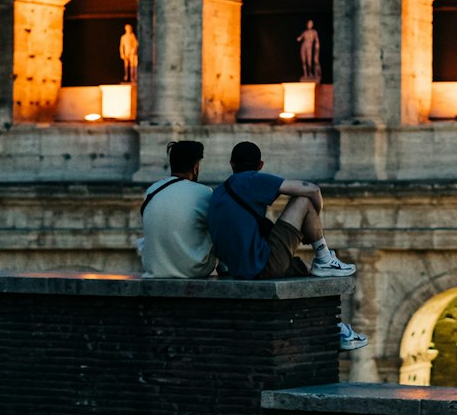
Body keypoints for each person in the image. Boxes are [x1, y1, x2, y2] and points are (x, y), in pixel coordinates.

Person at [207, 141, 367, 351]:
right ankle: (325, 256)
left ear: (231, 164)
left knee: (307, 273)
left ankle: (337, 327)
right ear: (260, 165)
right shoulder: (249, 180)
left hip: (240, 268)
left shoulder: (218, 192)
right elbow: (311, 189)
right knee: (303, 202)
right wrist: (314, 220)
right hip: (261, 264)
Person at [140, 139, 216, 280]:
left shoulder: (152, 190)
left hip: (154, 270)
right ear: (195, 167)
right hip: (194, 271)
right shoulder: (204, 193)